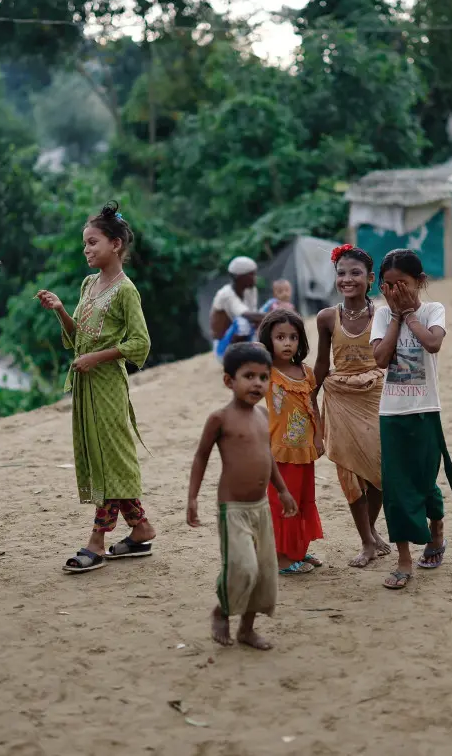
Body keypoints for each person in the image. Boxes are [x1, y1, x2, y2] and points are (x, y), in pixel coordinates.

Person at [36, 201, 156, 574]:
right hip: (86, 387)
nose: (87, 250)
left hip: (107, 385)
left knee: (112, 460)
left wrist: (96, 359)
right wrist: (60, 309)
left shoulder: (126, 290)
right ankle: (140, 529)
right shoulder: (90, 284)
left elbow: (140, 343)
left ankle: (96, 542)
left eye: (93, 242)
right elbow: (77, 341)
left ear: (116, 244)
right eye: (85, 244)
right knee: (105, 458)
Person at [188, 342, 298, 651]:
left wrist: (283, 490)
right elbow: (201, 457)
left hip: (261, 508)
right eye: (248, 376)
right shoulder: (220, 419)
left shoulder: (263, 415)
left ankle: (247, 630)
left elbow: (267, 456)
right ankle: (222, 610)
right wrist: (193, 498)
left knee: (264, 573)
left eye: (263, 377)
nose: (257, 384)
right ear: (229, 381)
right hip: (232, 509)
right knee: (243, 568)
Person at [370, 249, 452, 591]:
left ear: (419, 282)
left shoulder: (432, 310)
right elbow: (380, 359)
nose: (396, 291)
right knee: (396, 488)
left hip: (426, 410)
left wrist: (410, 314)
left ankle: (436, 530)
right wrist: (395, 316)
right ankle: (404, 560)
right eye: (390, 285)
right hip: (391, 413)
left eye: (404, 284)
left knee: (425, 481)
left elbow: (432, 343)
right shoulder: (382, 315)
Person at [313, 244, 390, 568]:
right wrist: (309, 403)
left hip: (376, 397)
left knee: (378, 472)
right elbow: (320, 364)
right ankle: (366, 542)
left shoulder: (384, 314)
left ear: (370, 279)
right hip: (339, 399)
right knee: (348, 473)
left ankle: (372, 531)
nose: (347, 279)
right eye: (341, 273)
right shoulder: (327, 318)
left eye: (355, 273)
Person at [257, 308, 325, 574]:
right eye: (280, 337)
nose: (287, 343)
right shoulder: (266, 372)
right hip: (278, 452)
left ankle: (297, 550)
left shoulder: (306, 373)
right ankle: (282, 559)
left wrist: (318, 436)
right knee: (282, 502)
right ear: (268, 340)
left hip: (304, 451)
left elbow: (312, 406)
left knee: (303, 499)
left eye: (293, 337)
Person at [211, 256, 264, 360]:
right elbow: (247, 316)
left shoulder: (251, 290)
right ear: (239, 277)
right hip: (223, 349)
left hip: (246, 336)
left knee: (273, 304)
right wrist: (277, 315)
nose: (255, 277)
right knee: (242, 322)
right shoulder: (225, 294)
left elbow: (256, 318)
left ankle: (254, 349)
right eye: (251, 274)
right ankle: (240, 355)